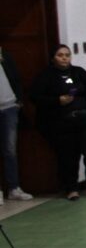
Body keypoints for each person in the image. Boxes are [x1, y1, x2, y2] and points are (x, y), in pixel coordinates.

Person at [30, 45, 86, 200]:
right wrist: (57, 100)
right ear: (54, 58)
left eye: (67, 55)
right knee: (68, 157)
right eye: (60, 55)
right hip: (62, 124)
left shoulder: (79, 73)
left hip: (84, 121)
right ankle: (71, 188)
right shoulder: (46, 76)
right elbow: (35, 97)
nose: (64, 58)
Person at [0, 46, 31, 203]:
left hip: (10, 107)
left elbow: (16, 78)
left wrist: (19, 101)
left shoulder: (5, 56)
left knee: (10, 150)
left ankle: (14, 188)